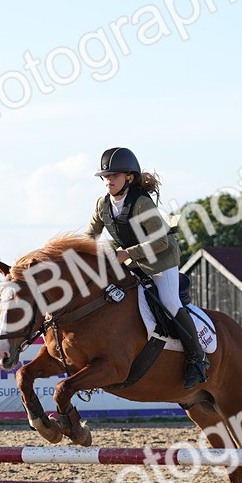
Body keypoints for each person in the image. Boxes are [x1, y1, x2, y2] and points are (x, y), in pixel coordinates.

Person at [84, 146, 209, 389]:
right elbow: (90, 236)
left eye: (114, 175)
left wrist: (126, 254)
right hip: (132, 259)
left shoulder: (141, 203)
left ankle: (197, 359)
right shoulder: (102, 204)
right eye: (105, 176)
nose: (108, 180)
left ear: (129, 178)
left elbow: (161, 242)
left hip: (161, 259)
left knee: (170, 302)